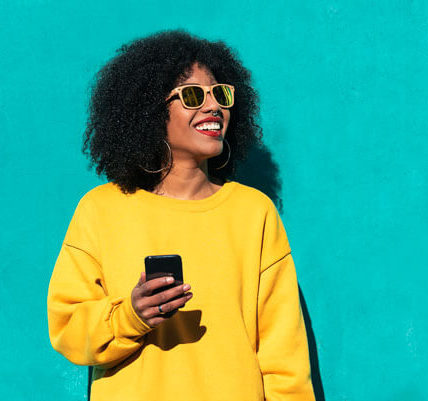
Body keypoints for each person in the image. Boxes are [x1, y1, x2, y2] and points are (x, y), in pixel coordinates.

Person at [47, 30, 316, 401]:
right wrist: (131, 315)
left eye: (220, 94)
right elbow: (69, 328)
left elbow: (284, 355)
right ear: (150, 112)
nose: (213, 107)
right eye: (192, 95)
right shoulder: (101, 210)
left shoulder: (254, 213)